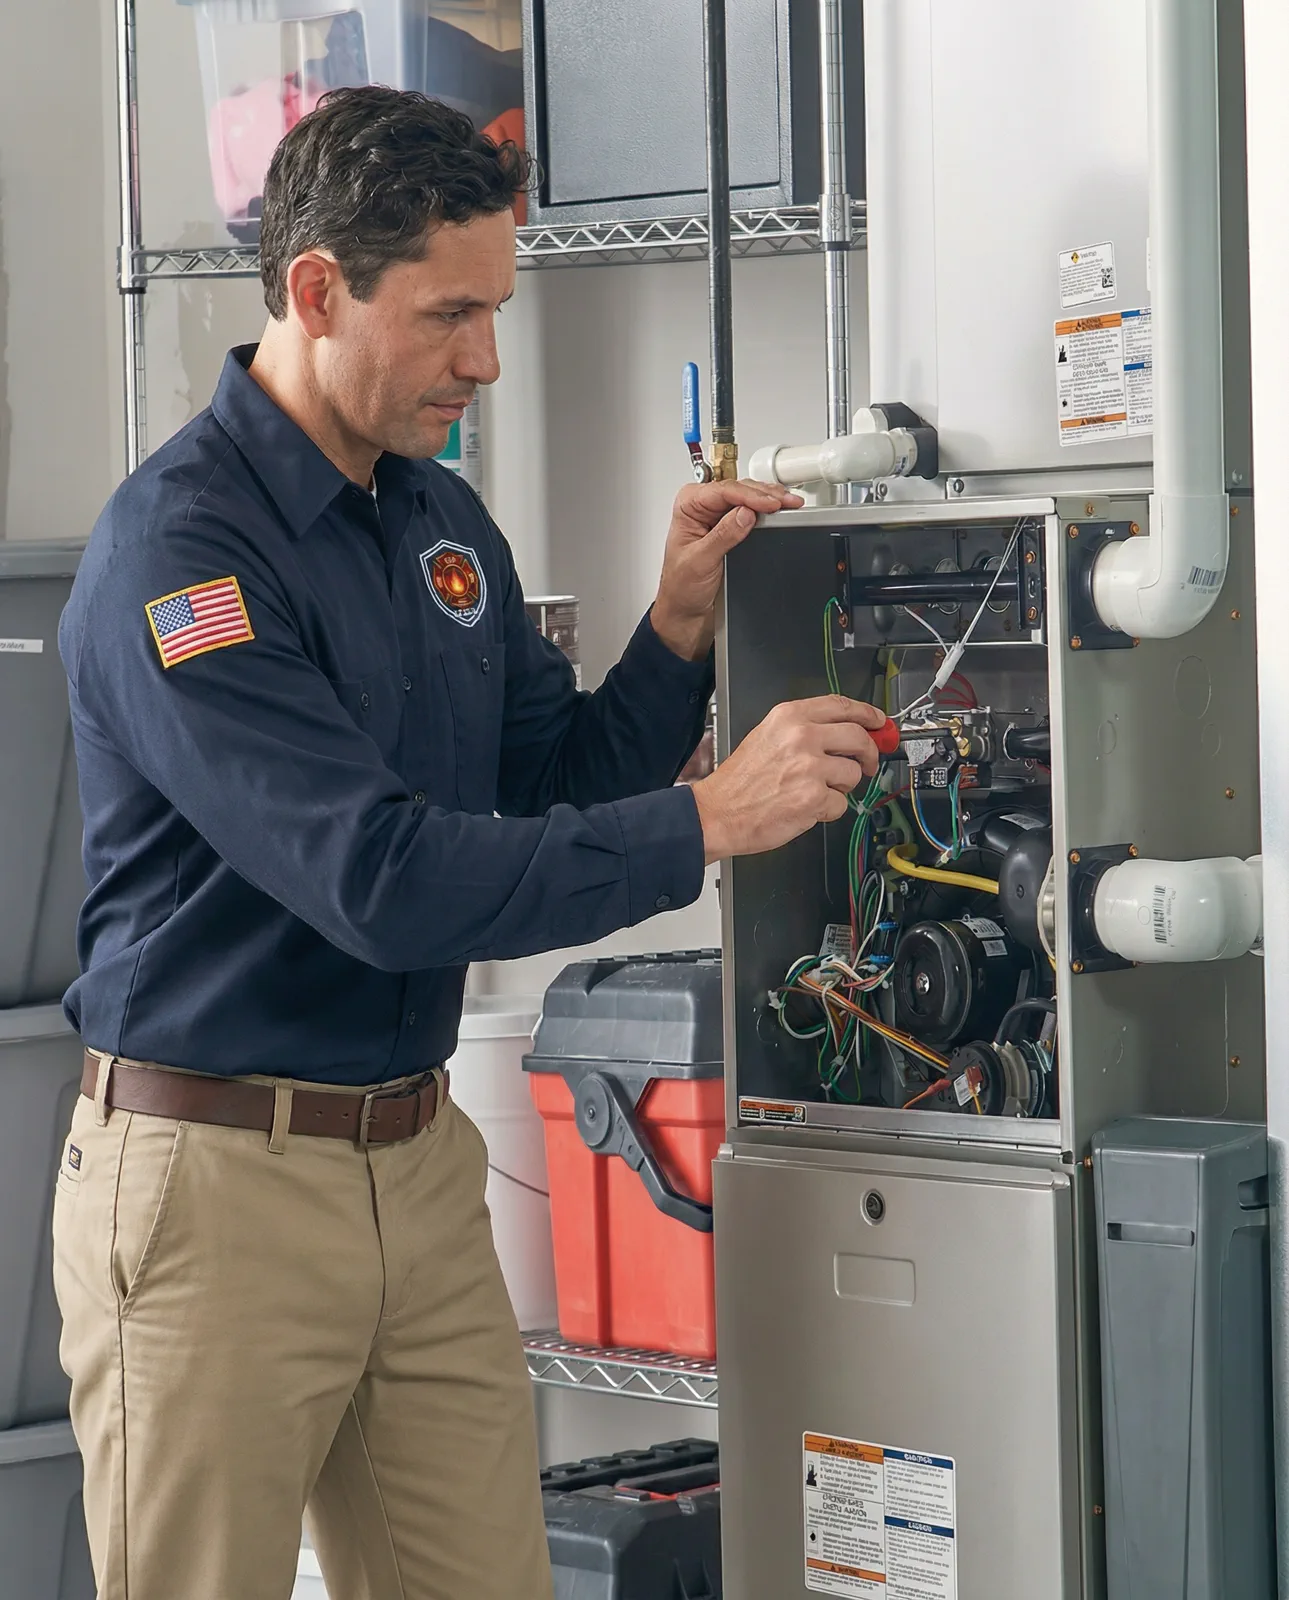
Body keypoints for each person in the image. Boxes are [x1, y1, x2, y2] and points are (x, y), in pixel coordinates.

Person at [53, 87, 884, 1600]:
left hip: (416, 1163)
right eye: (450, 316)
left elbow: (548, 780)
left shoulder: (438, 521)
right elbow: (381, 880)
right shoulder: (182, 555)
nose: (484, 360)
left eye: (496, 311)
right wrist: (712, 819)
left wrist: (680, 629)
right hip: (214, 1185)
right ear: (318, 290)